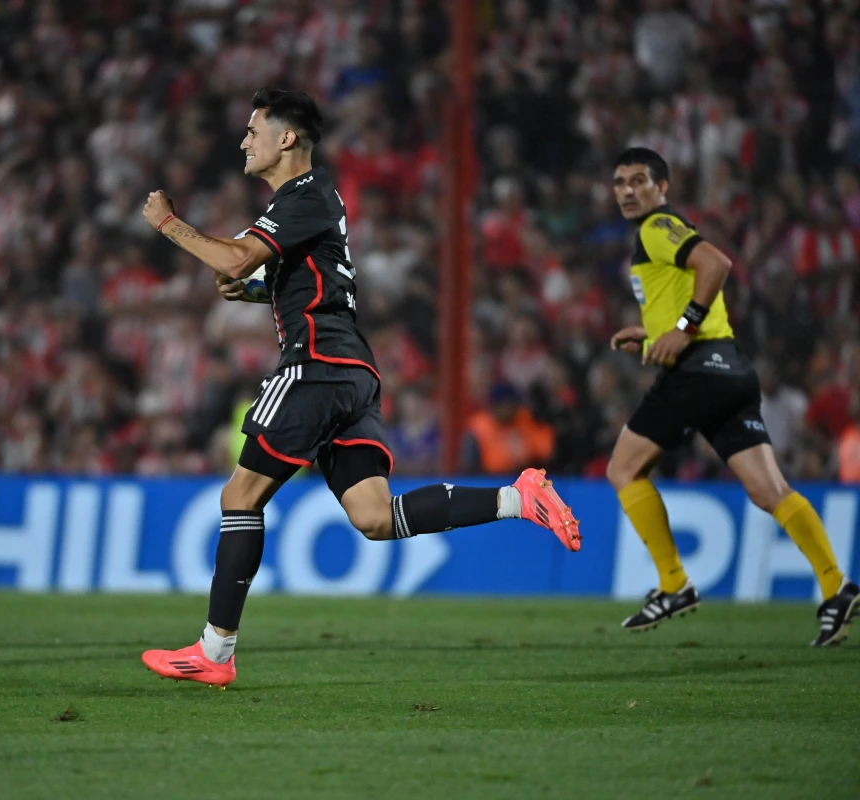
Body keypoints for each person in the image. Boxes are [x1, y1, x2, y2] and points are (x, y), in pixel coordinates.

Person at [138, 89, 580, 688]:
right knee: (374, 517)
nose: (243, 140)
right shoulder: (315, 203)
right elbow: (299, 279)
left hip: (314, 365)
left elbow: (239, 258)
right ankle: (517, 499)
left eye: (252, 130)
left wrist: (169, 224)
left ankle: (215, 652)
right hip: (355, 375)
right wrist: (254, 290)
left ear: (286, 138)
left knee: (240, 498)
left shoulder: (304, 194)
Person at [605, 147, 857, 645]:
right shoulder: (657, 234)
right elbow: (691, 295)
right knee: (769, 492)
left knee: (623, 469)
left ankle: (674, 584)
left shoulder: (657, 227)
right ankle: (837, 586)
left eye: (639, 180)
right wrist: (654, 337)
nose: (628, 190)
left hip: (696, 374)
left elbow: (716, 264)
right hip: (731, 371)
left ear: (663, 188)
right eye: (619, 182)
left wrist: (681, 328)